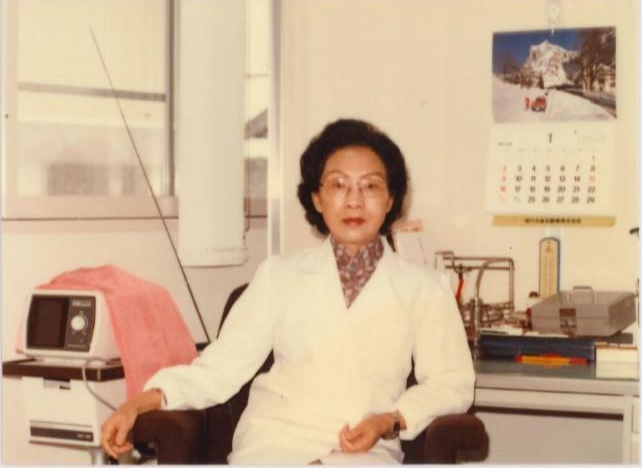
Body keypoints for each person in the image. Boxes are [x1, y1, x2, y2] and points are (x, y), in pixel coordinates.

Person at [100, 118, 475, 464]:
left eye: (371, 185)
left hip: (363, 453)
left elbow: (452, 383)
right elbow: (220, 368)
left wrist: (390, 420)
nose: (354, 200)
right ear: (317, 198)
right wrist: (138, 404)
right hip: (274, 446)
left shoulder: (425, 288)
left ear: (391, 199)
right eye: (338, 184)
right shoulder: (278, 276)